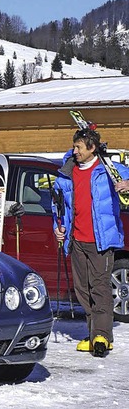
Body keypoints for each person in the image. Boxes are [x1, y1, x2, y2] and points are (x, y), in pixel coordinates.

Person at [52, 127, 129, 357]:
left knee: (100, 287)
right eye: (74, 147)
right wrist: (58, 228)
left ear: (92, 149)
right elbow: (56, 206)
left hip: (101, 240)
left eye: (78, 147)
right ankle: (93, 331)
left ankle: (102, 336)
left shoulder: (108, 169)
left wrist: (128, 184)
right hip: (76, 240)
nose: (74, 151)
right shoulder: (67, 173)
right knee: (82, 289)